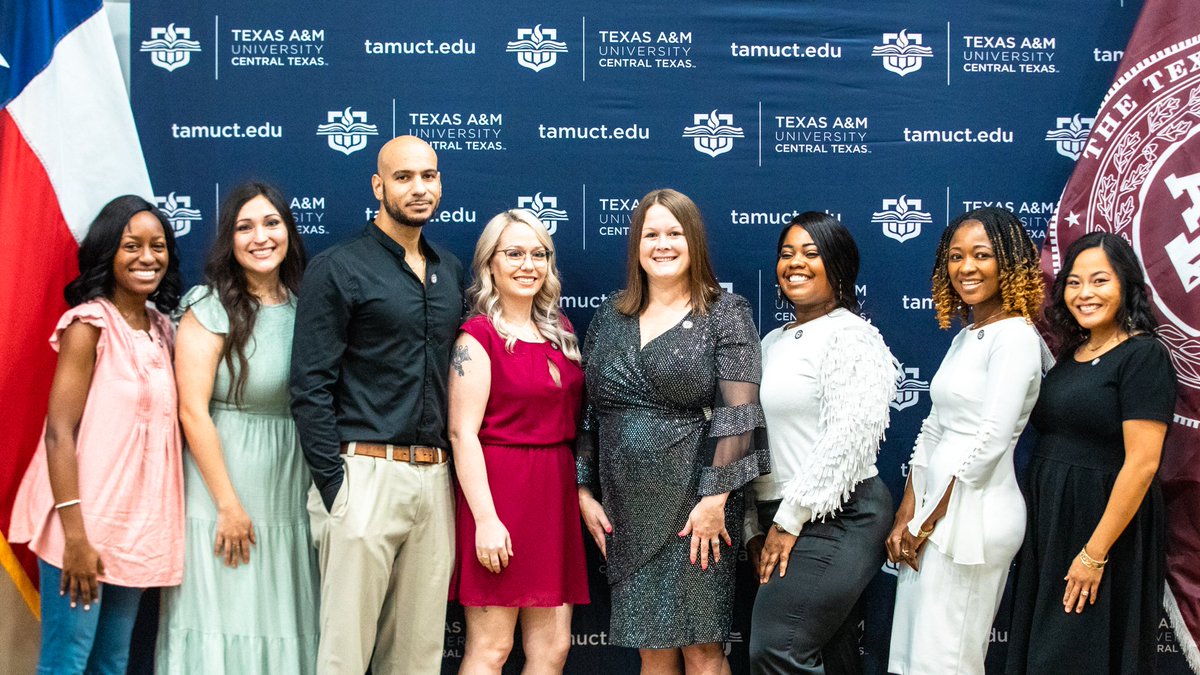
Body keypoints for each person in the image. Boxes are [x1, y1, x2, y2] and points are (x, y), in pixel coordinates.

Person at [290, 136, 466, 674]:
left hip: (434, 482)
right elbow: (309, 386)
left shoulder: (450, 270)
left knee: (416, 658)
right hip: (363, 476)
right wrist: (337, 489)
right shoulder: (339, 268)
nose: (419, 188)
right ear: (378, 185)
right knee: (344, 655)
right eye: (404, 176)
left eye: (429, 176)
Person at [576, 188, 769, 674]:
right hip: (626, 510)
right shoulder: (609, 316)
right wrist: (582, 490)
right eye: (651, 233)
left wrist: (714, 500)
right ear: (636, 245)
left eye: (675, 233)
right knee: (653, 651)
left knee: (702, 651)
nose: (663, 244)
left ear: (694, 242)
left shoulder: (726, 311)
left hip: (696, 510)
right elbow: (587, 414)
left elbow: (739, 411)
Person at [9, 195, 183, 675]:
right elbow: (58, 434)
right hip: (82, 525)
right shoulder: (89, 325)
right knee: (66, 662)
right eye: (132, 246)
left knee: (111, 663)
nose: (148, 257)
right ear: (109, 252)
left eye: (158, 246)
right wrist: (76, 538)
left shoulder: (163, 329)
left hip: (133, 529)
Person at [157, 182, 317, 673]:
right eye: (245, 227)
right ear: (230, 239)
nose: (260, 237)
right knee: (223, 618)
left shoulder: (307, 306)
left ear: (289, 230)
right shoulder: (208, 305)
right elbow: (191, 411)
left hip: (291, 488)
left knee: (286, 618)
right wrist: (228, 506)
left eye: (272, 223)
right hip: (222, 487)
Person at [1006, 232, 1176, 674]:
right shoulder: (1074, 353)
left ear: (1126, 285)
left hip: (1101, 528)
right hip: (1052, 522)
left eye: (1099, 281)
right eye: (1075, 282)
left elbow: (1142, 463)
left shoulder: (1143, 356)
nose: (1085, 293)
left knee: (1077, 653)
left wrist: (1093, 554)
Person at [886, 207, 1045, 675]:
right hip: (935, 516)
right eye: (956, 256)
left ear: (1010, 262)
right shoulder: (970, 335)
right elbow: (934, 429)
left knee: (948, 660)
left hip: (975, 517)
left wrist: (927, 520)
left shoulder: (1014, 338)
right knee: (919, 657)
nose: (966, 268)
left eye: (982, 255)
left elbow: (991, 439)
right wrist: (906, 514)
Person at [747, 213, 897, 674]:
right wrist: (756, 525)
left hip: (842, 514)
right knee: (832, 656)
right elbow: (750, 435)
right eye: (787, 253)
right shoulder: (770, 340)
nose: (796, 263)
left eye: (812, 253)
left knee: (777, 648)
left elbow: (847, 440)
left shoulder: (853, 336)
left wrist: (789, 520)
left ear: (839, 266)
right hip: (779, 512)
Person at [448, 209, 589, 674]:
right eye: (514, 253)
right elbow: (461, 433)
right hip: (500, 496)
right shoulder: (478, 337)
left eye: (539, 254)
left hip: (554, 495)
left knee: (553, 649)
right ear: (490, 264)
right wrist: (486, 520)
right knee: (491, 650)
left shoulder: (561, 332)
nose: (528, 264)